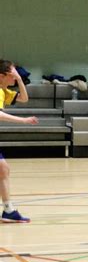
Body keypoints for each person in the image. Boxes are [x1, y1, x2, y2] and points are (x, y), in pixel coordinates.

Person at [0, 59, 39, 223]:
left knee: (3, 169)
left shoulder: (4, 91)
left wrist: (20, 79)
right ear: (1, 76)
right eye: (12, 75)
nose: (14, 78)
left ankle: (8, 210)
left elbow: (24, 98)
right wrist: (23, 120)